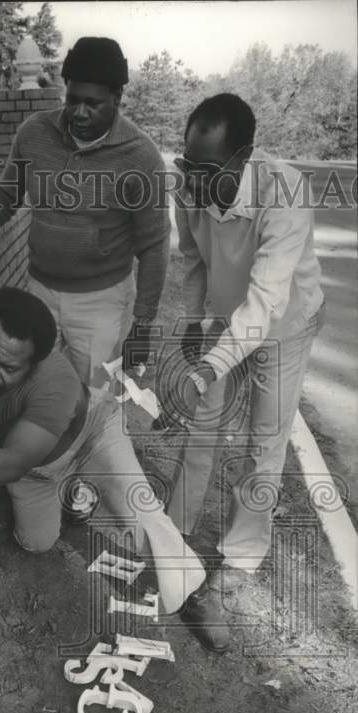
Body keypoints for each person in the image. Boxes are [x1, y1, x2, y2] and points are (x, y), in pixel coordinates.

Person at [0, 287, 229, 652]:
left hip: (91, 437)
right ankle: (72, 494)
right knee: (36, 543)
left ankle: (191, 588)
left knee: (141, 511)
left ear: (34, 363)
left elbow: (11, 461)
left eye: (8, 368)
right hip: (37, 469)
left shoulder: (57, 384)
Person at [155, 93, 325, 595]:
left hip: (283, 326)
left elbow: (267, 302)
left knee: (263, 442)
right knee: (200, 426)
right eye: (188, 164)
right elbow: (194, 260)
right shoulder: (189, 187)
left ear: (245, 154)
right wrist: (192, 323)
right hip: (228, 319)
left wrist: (208, 368)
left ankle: (241, 556)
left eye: (207, 169)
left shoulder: (285, 193)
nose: (196, 180)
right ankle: (175, 531)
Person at [0, 36, 170, 388]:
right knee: (38, 390)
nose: (79, 112)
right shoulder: (35, 133)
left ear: (117, 99)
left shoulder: (141, 156)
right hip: (40, 291)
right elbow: (7, 194)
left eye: (93, 103)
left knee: (90, 397)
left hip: (101, 301)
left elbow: (155, 245)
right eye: (72, 99)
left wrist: (143, 324)